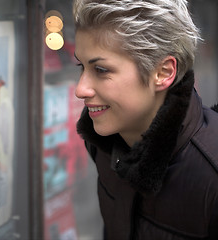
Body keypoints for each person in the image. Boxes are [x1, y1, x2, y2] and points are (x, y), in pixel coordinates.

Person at [73, 0, 218, 239]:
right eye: (81, 67)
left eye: (100, 70)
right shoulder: (103, 141)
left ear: (163, 73)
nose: (80, 89)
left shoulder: (211, 177)